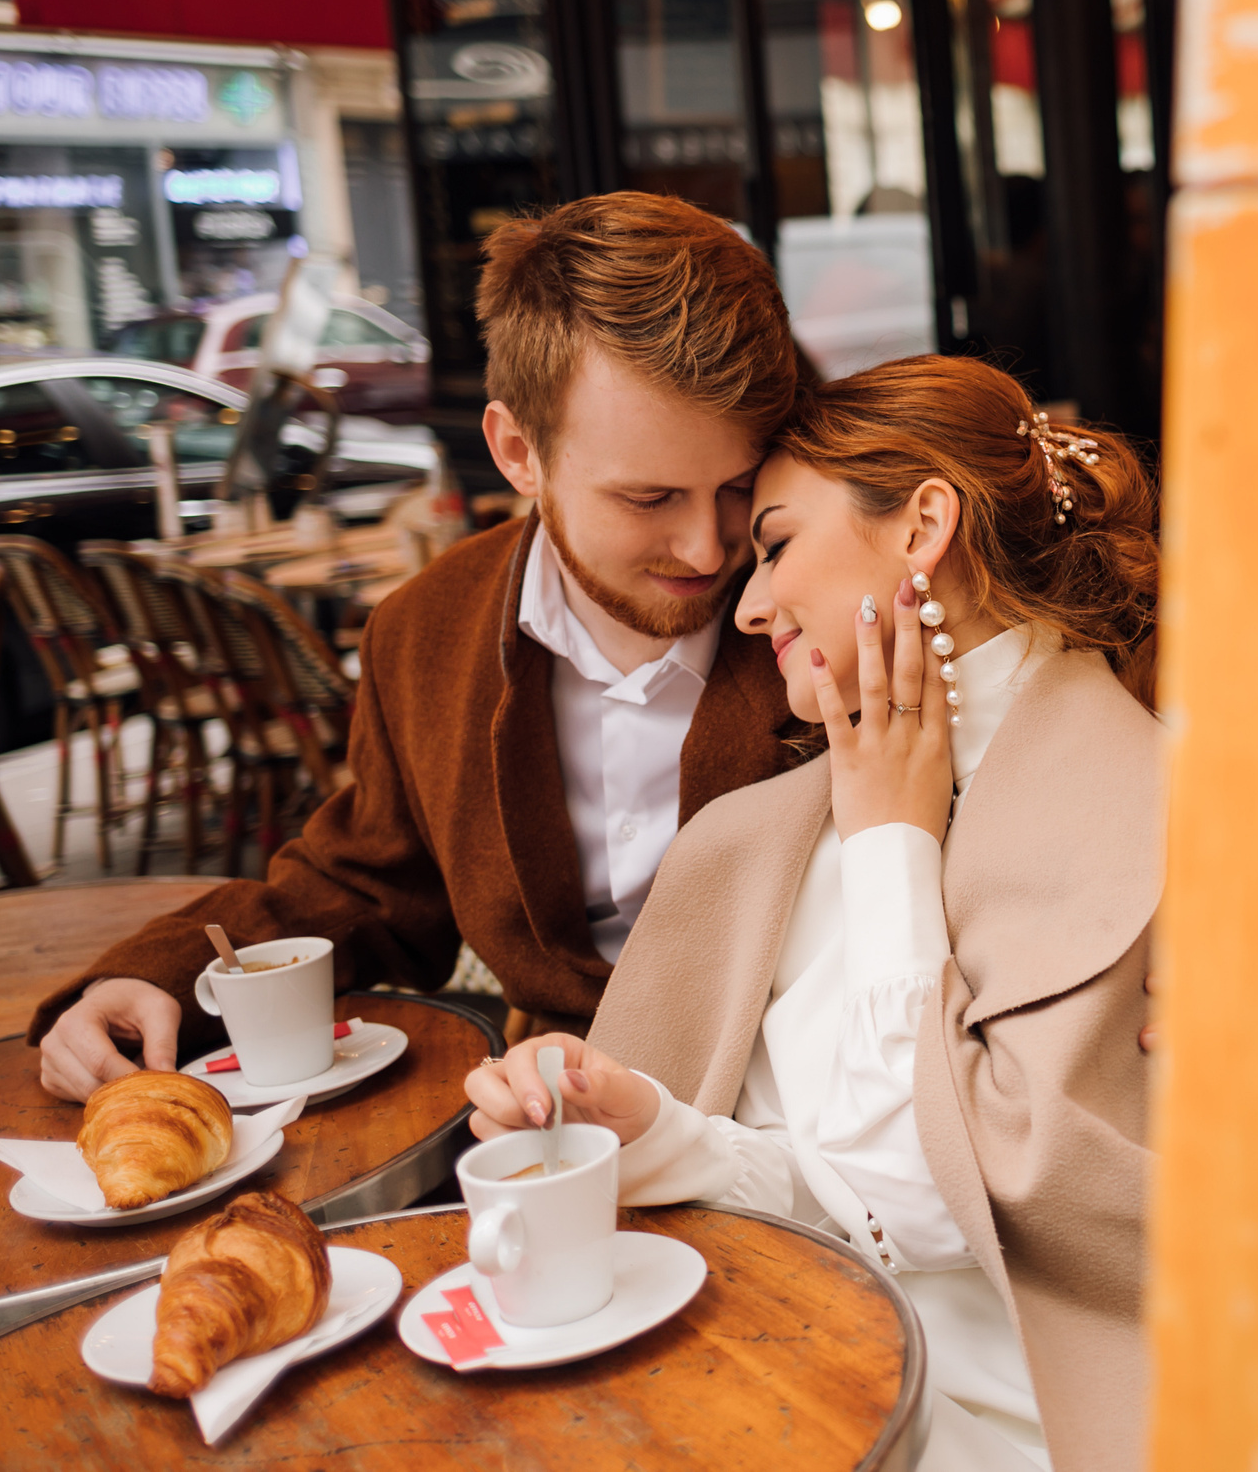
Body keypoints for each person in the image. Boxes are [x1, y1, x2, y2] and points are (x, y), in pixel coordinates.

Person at [468, 355, 1160, 1472]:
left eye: (775, 544)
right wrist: (661, 1133)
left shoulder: (1142, 805)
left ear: (924, 523)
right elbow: (842, 1194)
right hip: (778, 1357)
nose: (742, 602)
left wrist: (892, 844)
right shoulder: (767, 836)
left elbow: (935, 1210)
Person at [33, 192, 810, 1099]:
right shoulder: (423, 631)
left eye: (736, 486)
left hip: (802, 1108)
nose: (710, 549)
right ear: (518, 452)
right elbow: (366, 888)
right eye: (648, 499)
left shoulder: (830, 595)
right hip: (548, 1120)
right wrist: (146, 979)